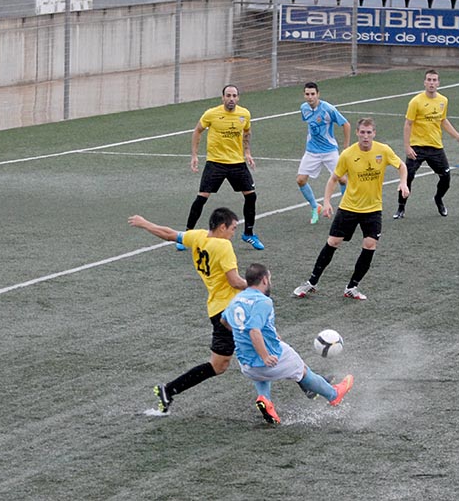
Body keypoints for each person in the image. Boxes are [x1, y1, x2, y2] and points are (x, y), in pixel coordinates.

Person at [128, 207, 247, 414]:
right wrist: (257, 286)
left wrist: (145, 223)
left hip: (216, 310)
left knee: (224, 363)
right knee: (259, 345)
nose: (233, 233)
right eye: (233, 228)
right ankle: (307, 381)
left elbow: (168, 234)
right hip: (232, 311)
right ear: (222, 227)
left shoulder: (198, 237)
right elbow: (235, 281)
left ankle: (168, 390)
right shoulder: (223, 246)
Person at [221, 263, 354, 424]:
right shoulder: (263, 301)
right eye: (269, 278)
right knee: (302, 371)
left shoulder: (237, 299)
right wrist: (265, 356)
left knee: (261, 373)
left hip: (246, 365)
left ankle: (265, 400)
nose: (270, 282)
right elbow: (254, 330)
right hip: (270, 358)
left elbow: (225, 322)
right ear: (264, 280)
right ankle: (333, 394)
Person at [293, 117, 409, 301]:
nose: (365, 136)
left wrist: (403, 183)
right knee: (333, 243)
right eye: (362, 132)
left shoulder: (383, 150)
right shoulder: (347, 154)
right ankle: (311, 282)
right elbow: (333, 179)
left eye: (369, 132)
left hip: (373, 209)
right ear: (357, 133)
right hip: (349, 208)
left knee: (370, 245)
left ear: (374, 134)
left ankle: (352, 287)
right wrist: (328, 202)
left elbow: (401, 166)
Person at [179, 84, 264, 251]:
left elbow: (247, 132)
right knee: (202, 197)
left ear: (238, 98)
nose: (231, 99)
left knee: (251, 196)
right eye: (228, 96)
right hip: (215, 163)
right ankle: (186, 235)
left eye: (234, 96)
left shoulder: (244, 114)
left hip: (237, 163)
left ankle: (248, 234)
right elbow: (197, 131)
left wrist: (247, 152)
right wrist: (194, 156)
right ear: (222, 97)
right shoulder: (211, 114)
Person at [393, 69, 459, 219]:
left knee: (446, 177)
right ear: (424, 82)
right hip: (417, 147)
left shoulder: (443, 100)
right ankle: (401, 207)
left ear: (438, 83)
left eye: (434, 80)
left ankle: (438, 199)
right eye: (429, 80)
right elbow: (408, 124)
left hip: (435, 147)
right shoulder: (415, 102)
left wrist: (457, 136)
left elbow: (443, 120)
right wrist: (407, 146)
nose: (431, 83)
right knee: (407, 176)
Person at [296, 82, 351, 224]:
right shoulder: (304, 108)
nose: (310, 97)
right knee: (301, 180)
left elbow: (346, 124)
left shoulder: (328, 109)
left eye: (312, 94)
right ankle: (315, 207)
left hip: (329, 151)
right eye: (307, 94)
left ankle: (347, 210)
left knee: (343, 179)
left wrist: (346, 146)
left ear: (318, 94)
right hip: (312, 151)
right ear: (304, 95)